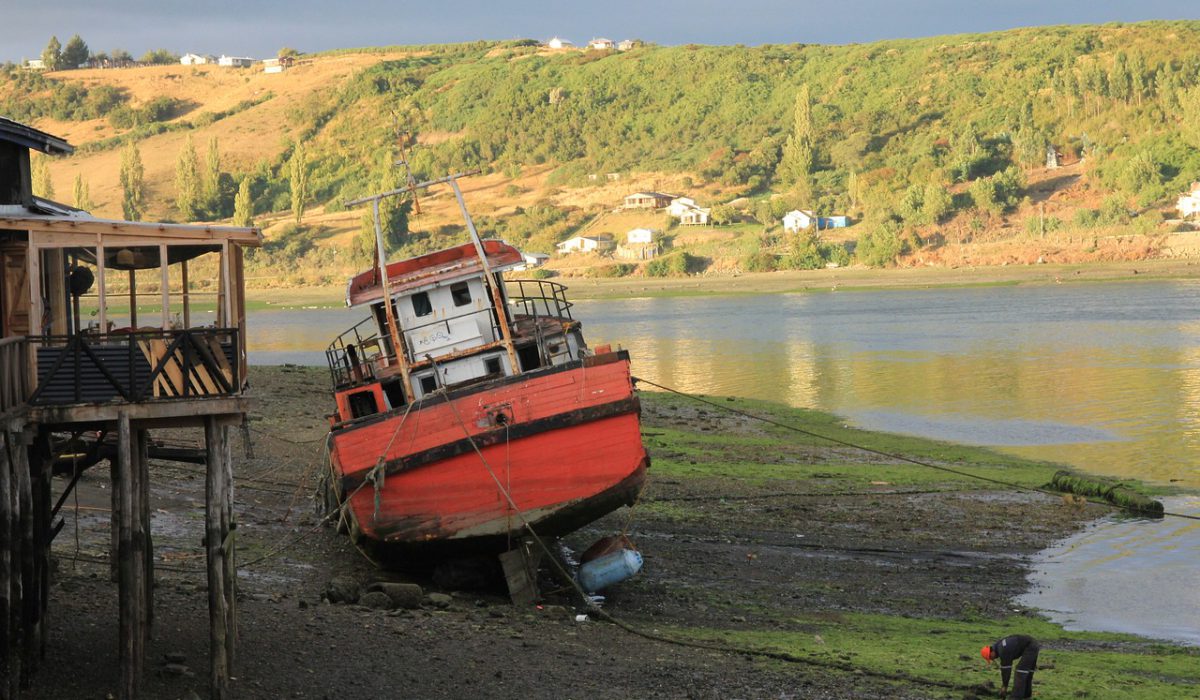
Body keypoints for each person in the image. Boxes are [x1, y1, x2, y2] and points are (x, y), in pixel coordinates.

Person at [981, 634, 1039, 699]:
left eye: (990, 657)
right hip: (1033, 643)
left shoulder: (1002, 650)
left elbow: (1006, 670)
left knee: (1020, 671)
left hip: (1030, 646)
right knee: (1028, 672)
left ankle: (1015, 697)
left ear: (991, 652)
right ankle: (1027, 695)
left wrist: (1004, 686)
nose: (992, 659)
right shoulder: (998, 646)